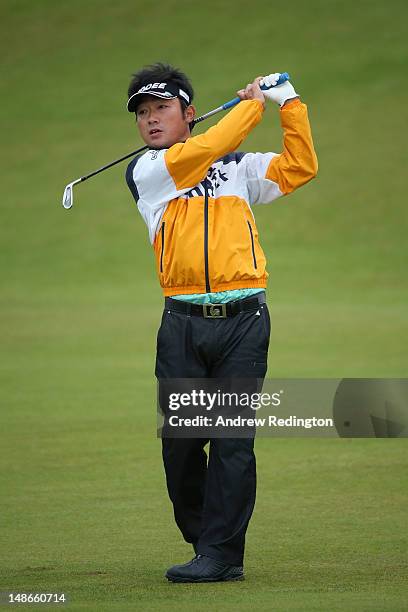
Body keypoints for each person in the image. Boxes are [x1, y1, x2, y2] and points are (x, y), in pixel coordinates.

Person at [125, 62, 318, 582]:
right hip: (183, 324)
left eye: (161, 108)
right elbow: (205, 151)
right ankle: (205, 538)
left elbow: (300, 167)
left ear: (189, 113)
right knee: (182, 448)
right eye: (142, 113)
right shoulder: (148, 173)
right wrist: (252, 103)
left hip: (243, 322)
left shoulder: (240, 167)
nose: (150, 120)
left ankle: (221, 553)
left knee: (233, 442)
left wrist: (290, 105)